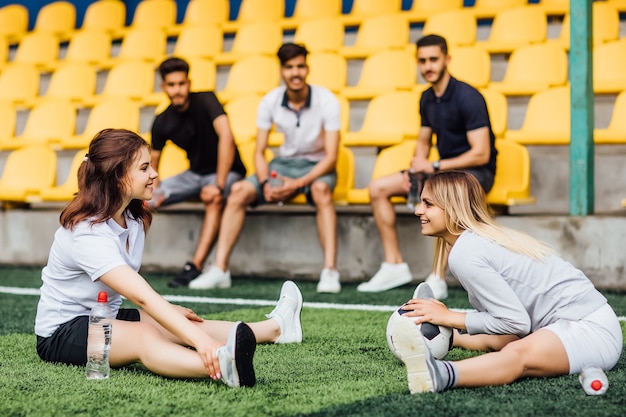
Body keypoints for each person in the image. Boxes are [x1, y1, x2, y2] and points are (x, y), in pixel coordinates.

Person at [34, 129, 304, 388]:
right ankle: (225, 366)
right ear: (117, 177)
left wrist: (172, 315)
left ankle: (276, 329)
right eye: (144, 168)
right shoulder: (87, 233)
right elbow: (141, 296)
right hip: (61, 332)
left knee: (180, 323)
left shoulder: (133, 219)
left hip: (105, 315)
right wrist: (202, 343)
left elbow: (139, 296)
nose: (155, 174)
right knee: (146, 335)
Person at [388, 170, 623, 393]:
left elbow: (515, 324)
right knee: (508, 341)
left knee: (516, 353)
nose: (418, 210)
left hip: (590, 330)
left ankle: (440, 375)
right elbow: (507, 329)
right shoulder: (473, 242)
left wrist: (449, 317)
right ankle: (451, 346)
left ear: (452, 208)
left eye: (428, 204)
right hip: (577, 324)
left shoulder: (466, 252)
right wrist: (452, 334)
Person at [187, 43, 342, 294]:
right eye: (290, 67)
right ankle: (219, 269)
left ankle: (330, 271)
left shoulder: (326, 100)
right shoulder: (270, 101)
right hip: (282, 165)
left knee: (322, 191)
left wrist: (298, 184)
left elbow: (331, 157)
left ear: (307, 68)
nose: (296, 73)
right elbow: (259, 152)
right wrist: (266, 182)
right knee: (238, 191)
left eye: (300, 66)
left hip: (317, 166)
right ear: (281, 70)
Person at [357, 34, 498, 298]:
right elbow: (423, 141)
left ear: (447, 59)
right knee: (378, 188)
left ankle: (437, 277)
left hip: (476, 173)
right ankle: (394, 265)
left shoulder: (469, 97)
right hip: (441, 170)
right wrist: (416, 169)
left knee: (442, 196)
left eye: (433, 59)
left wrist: (433, 164)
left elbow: (481, 154)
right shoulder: (427, 98)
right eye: (422, 61)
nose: (428, 66)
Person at [148, 57, 248, 288]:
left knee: (211, 197)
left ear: (189, 83)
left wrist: (219, 185)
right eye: (172, 85)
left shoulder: (206, 100)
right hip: (194, 175)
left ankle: (195, 266)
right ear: (164, 87)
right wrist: (154, 190)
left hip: (228, 171)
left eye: (181, 84)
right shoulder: (162, 121)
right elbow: (154, 160)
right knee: (144, 200)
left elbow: (227, 137)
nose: (177, 90)